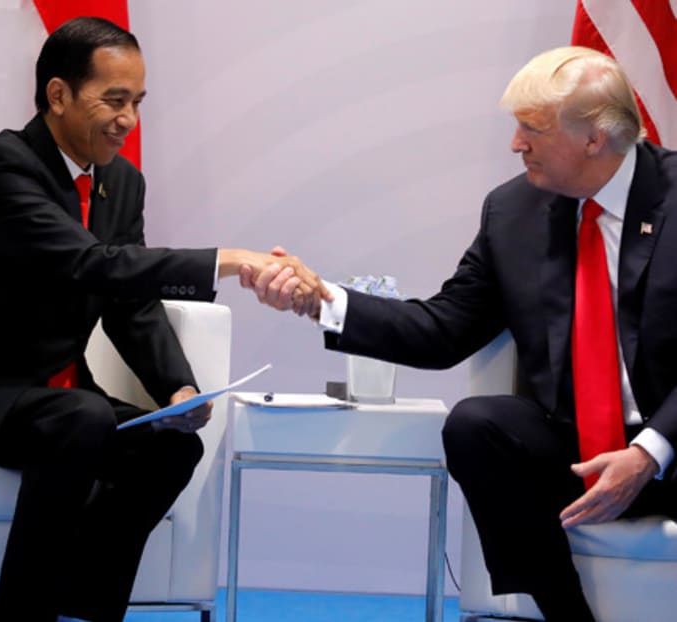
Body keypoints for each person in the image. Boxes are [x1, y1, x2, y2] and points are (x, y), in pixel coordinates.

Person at [0, 17, 328, 622]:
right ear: (58, 95)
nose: (128, 119)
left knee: (169, 448)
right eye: (114, 100)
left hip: (57, 400)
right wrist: (232, 262)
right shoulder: (3, 168)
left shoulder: (122, 183)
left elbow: (129, 302)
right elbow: (91, 263)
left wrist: (176, 386)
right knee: (82, 416)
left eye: (136, 102)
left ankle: (88, 606)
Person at [246, 46, 677, 621]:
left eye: (532, 128)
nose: (515, 144)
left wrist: (649, 453)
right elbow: (442, 330)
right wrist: (322, 301)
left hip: (670, 445)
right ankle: (566, 616)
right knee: (478, 425)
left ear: (594, 139)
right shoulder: (514, 211)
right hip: (577, 452)